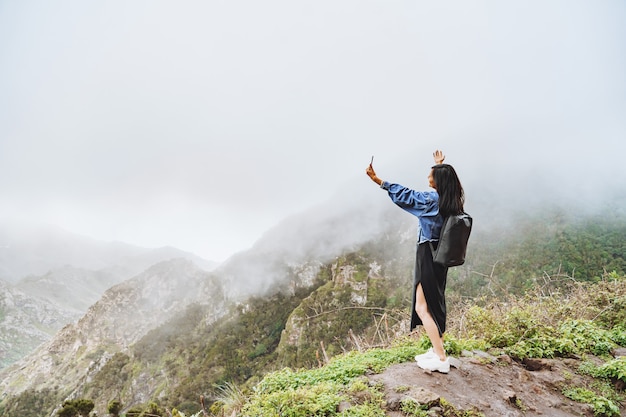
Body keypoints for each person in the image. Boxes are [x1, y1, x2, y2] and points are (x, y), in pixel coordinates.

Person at [365, 150, 465, 374]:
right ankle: (436, 348)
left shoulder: (430, 200)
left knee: (422, 307)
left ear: (437, 181)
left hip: (427, 254)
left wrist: (379, 181)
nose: (428, 177)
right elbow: (448, 181)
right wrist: (440, 165)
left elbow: (407, 196)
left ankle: (440, 358)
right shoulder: (451, 199)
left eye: (431, 175)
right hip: (441, 254)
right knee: (434, 302)